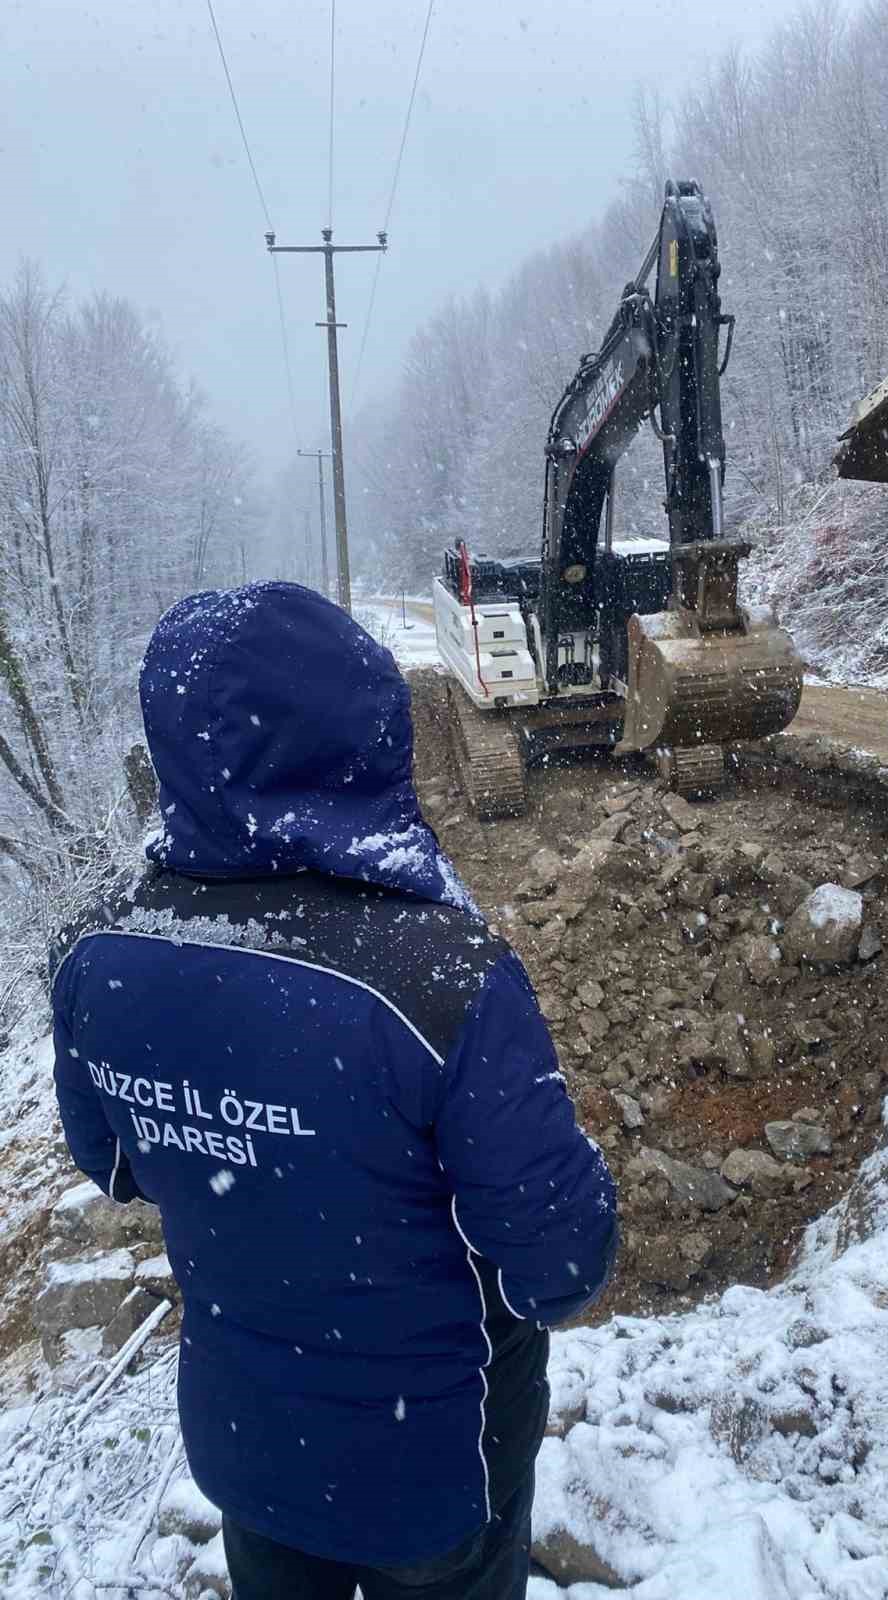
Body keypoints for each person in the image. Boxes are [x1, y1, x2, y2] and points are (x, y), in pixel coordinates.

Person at [51, 582, 617, 1600]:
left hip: (249, 1449)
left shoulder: (100, 954)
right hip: (435, 1473)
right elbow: (564, 1264)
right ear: (366, 728)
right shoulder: (442, 975)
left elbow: (116, 1164)